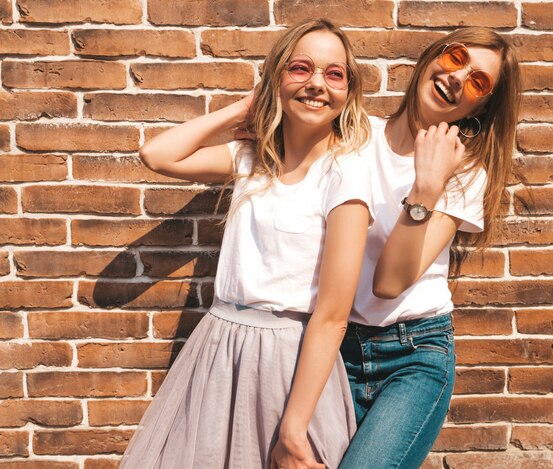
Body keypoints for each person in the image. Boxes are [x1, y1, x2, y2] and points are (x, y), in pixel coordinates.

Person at [119, 18, 372, 469]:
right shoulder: (252, 159)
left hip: (288, 358)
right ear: (276, 78)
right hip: (219, 346)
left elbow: (333, 316)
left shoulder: (345, 176)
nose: (317, 84)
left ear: (348, 91)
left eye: (335, 74)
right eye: (300, 69)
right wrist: (244, 109)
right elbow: (157, 155)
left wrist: (294, 432)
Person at [338, 27, 522, 469]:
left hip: (413, 356)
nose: (459, 77)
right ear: (432, 56)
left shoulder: (464, 172)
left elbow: (389, 282)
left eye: (478, 82)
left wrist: (427, 185)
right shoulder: (351, 138)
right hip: (334, 348)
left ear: (481, 105)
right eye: (456, 57)